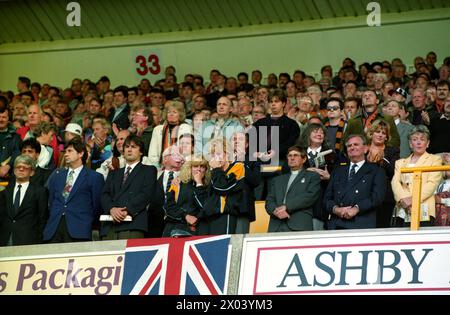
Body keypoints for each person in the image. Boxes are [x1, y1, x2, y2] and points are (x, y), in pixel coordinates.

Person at [43, 138, 104, 243]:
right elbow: (52, 201)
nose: (66, 154)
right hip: (54, 228)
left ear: (80, 154)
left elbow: (97, 206)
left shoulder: (94, 177)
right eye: (65, 151)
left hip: (79, 229)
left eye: (70, 151)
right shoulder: (56, 176)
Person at [100, 135, 157, 240]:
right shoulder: (114, 173)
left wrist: (127, 210)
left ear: (141, 151)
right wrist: (111, 209)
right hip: (109, 226)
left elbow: (146, 195)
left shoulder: (149, 170)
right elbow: (104, 195)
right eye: (127, 147)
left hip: (133, 224)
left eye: (133, 147)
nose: (129, 149)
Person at [325, 134, 386, 229]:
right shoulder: (338, 170)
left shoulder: (376, 170)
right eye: (349, 146)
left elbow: (377, 197)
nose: (352, 147)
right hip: (336, 223)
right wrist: (336, 209)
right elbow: (327, 199)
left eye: (356, 144)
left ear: (365, 149)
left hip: (362, 224)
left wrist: (357, 208)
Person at [391, 125, 442, 227]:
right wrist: (403, 200)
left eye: (422, 139)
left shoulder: (435, 159)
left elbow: (431, 185)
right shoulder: (400, 162)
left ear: (427, 143)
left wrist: (412, 200)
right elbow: (395, 182)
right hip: (402, 209)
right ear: (410, 143)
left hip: (424, 209)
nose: (418, 142)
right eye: (415, 139)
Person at [265, 146, 321, 232]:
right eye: (289, 156)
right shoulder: (277, 180)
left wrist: (286, 207)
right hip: (276, 226)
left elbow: (310, 197)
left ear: (304, 159)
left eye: (296, 155)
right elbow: (269, 201)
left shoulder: (312, 176)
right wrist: (275, 211)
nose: (292, 158)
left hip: (299, 225)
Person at [199, 138, 245, 235]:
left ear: (227, 154)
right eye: (213, 154)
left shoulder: (238, 166)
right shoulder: (214, 172)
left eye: (218, 153)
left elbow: (223, 188)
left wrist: (216, 169)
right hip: (210, 216)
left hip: (226, 215)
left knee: (224, 247)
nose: (216, 157)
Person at [0, 155, 48, 246]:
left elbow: (42, 218)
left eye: (25, 167)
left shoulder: (40, 192)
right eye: (18, 167)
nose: (21, 169)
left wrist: (39, 240)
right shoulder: (5, 192)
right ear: (14, 171)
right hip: (5, 238)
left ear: (32, 172)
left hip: (29, 239)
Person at [162, 154, 210, 237]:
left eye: (202, 166)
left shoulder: (209, 186)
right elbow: (168, 206)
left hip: (198, 231)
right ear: (189, 168)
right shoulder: (178, 183)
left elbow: (206, 207)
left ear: (206, 170)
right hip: (175, 229)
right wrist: (185, 216)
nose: (199, 169)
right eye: (195, 166)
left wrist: (199, 184)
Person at [365, 120, 400, 227]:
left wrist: (382, 160)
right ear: (371, 133)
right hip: (364, 195)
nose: (380, 135)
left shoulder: (393, 151)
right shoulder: (362, 149)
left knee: (382, 227)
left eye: (383, 133)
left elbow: (394, 172)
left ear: (387, 137)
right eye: (377, 131)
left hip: (385, 196)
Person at [148, 101, 192, 169]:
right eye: (169, 112)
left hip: (180, 167)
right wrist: (156, 168)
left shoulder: (186, 128)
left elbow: (187, 152)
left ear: (180, 115)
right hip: (160, 167)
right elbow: (152, 152)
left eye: (174, 112)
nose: (171, 114)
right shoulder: (158, 129)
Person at [434, 152, 450, 226]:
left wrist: (442, 200)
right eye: (444, 165)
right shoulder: (440, 184)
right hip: (438, 216)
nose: (447, 167)